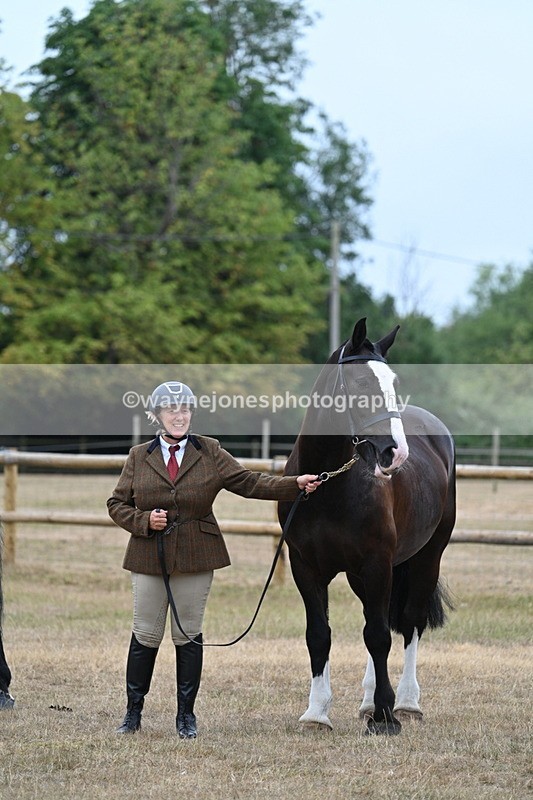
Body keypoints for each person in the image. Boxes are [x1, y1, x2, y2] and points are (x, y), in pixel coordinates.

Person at [107, 381, 320, 738]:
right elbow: (116, 504)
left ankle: (185, 717)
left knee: (187, 633)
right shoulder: (137, 456)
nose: (179, 415)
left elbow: (250, 482)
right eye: (171, 410)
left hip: (196, 552)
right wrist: (144, 521)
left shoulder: (210, 451)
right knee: (145, 632)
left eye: (185, 409)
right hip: (148, 554)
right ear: (157, 415)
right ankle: (133, 714)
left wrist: (294, 484)